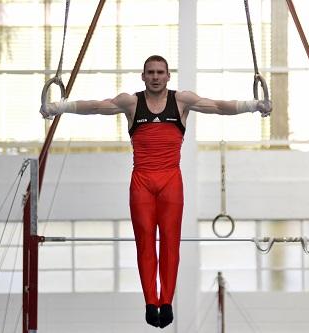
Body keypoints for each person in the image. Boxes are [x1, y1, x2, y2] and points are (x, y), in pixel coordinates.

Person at [40, 55, 271, 328]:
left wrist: (255, 105)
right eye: (150, 72)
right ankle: (151, 302)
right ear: (143, 76)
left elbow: (220, 106)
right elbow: (96, 107)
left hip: (171, 181)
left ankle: (167, 300)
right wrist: (58, 107)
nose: (156, 77)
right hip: (142, 183)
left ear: (168, 76)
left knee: (170, 244)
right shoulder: (131, 103)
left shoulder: (182, 101)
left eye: (160, 72)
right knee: (145, 243)